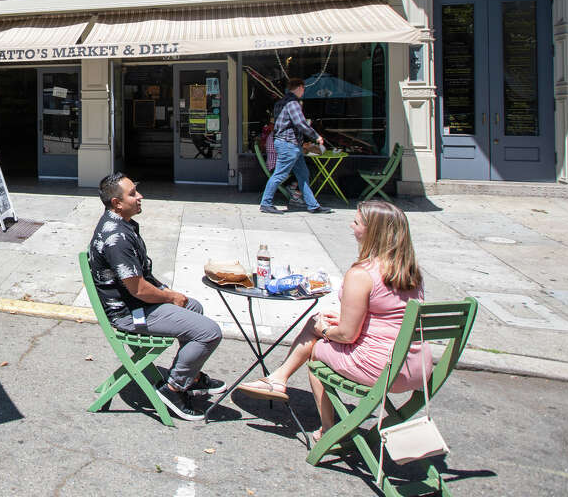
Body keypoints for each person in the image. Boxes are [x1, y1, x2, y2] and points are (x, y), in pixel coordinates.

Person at [235, 201, 429, 444]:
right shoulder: (411, 272)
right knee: (319, 321)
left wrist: (324, 330)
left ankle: (328, 429)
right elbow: (390, 316)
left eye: (357, 222)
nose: (351, 225)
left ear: (372, 232)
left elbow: (347, 335)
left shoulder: (362, 274)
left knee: (317, 349)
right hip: (416, 366)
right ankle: (277, 379)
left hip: (383, 367)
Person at [89, 173, 226, 421]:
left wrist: (170, 293)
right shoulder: (115, 237)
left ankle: (190, 377)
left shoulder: (122, 224)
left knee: (193, 307)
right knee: (209, 332)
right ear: (117, 203)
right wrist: (169, 297)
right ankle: (172, 389)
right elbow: (138, 289)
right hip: (130, 314)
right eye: (132, 194)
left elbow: (142, 277)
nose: (140, 196)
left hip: (135, 305)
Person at [259, 77, 331, 215]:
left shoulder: (280, 103)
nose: (304, 91)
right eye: (303, 88)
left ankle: (313, 205)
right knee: (280, 174)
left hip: (288, 143)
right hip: (289, 143)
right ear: (299, 87)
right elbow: (300, 123)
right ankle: (265, 203)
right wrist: (316, 136)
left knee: (303, 174)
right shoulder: (293, 103)